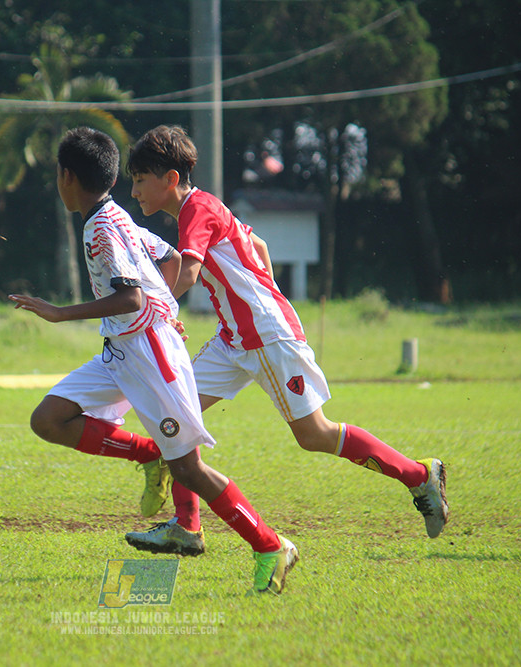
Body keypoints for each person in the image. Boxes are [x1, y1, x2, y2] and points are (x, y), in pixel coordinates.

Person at [123, 125, 448, 557]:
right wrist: (258, 293)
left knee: (314, 434)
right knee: (173, 412)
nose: (134, 190)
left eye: (139, 179)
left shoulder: (195, 211)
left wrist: (155, 310)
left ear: (169, 179)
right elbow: (256, 244)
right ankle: (187, 527)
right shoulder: (205, 206)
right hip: (236, 340)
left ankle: (419, 474)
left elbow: (189, 274)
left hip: (267, 337)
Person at [8, 127, 297, 594]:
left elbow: (130, 296)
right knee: (49, 418)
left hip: (149, 355)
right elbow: (163, 261)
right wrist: (163, 308)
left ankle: (269, 545)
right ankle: (148, 455)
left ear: (66, 177)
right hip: (123, 350)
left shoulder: (103, 228)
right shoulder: (113, 217)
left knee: (189, 469)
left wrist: (63, 313)